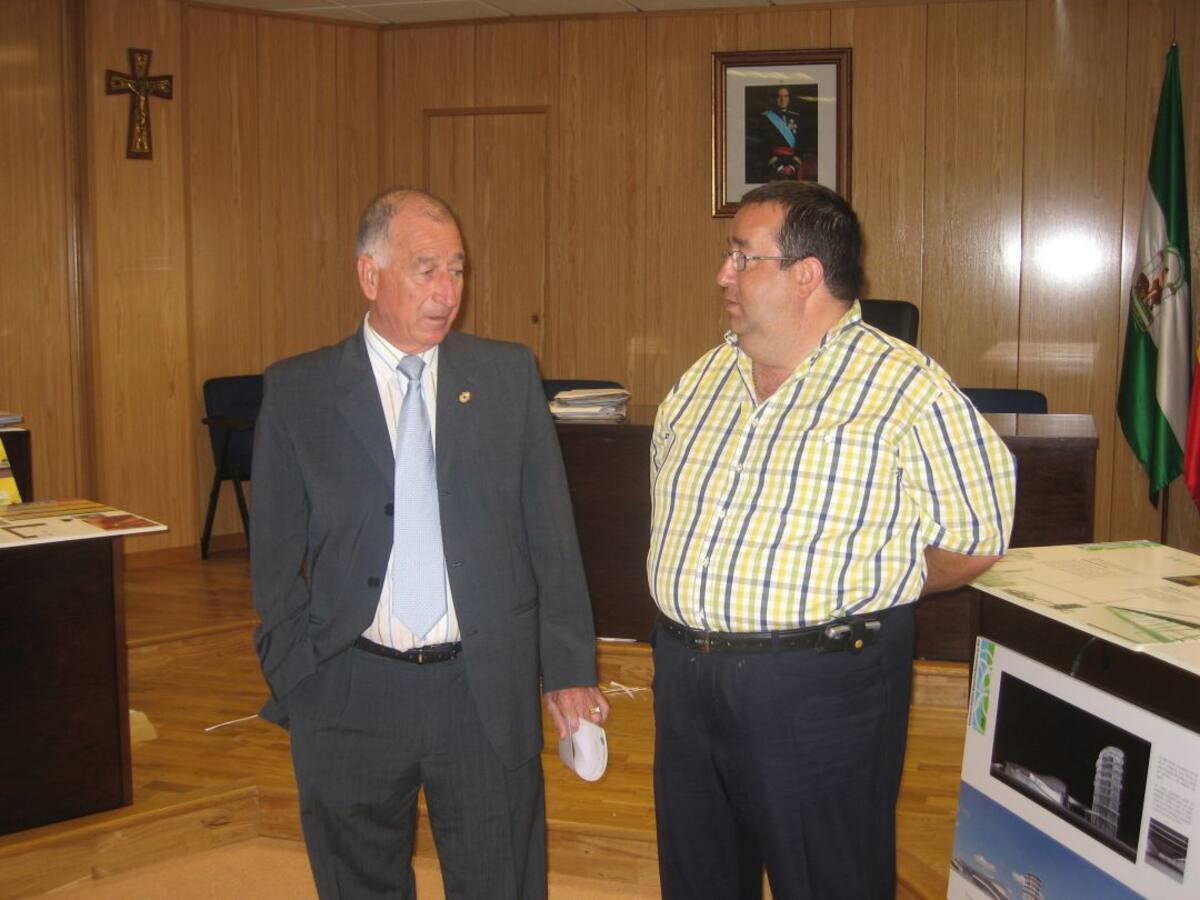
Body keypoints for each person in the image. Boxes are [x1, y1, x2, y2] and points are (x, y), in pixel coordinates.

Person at [647, 181, 1016, 899]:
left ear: (806, 274)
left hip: (821, 690)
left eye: (743, 257)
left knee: (829, 881)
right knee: (697, 880)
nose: (723, 274)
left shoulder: (905, 389)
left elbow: (977, 537)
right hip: (686, 681)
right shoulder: (701, 380)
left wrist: (879, 577)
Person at [251, 188, 609, 899]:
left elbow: (552, 534)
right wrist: (298, 677)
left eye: (458, 269)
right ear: (370, 274)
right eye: (426, 270)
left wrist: (569, 668)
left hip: (483, 688)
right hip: (349, 687)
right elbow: (272, 557)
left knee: (500, 881)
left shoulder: (506, 376)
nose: (448, 292)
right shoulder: (299, 391)